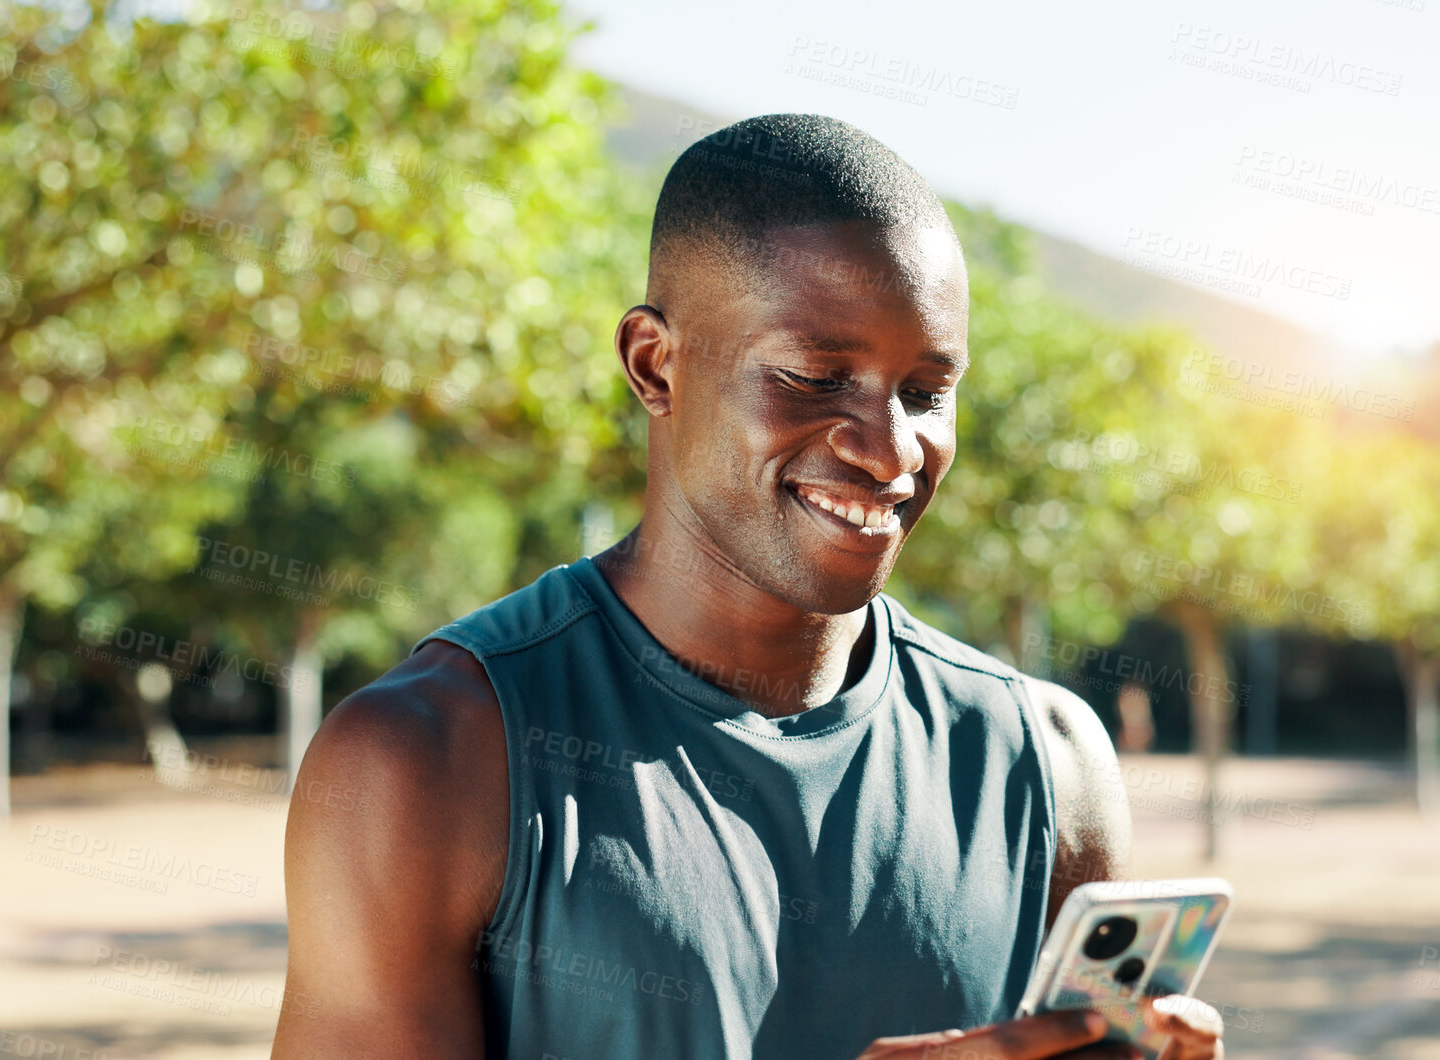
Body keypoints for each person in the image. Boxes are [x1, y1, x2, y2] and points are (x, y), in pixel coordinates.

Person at [270, 114, 1224, 1060]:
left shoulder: (1046, 763)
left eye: (927, 392)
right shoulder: (422, 762)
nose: (892, 448)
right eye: (814, 376)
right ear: (655, 365)